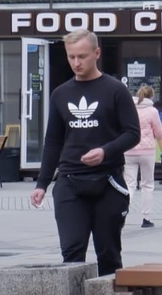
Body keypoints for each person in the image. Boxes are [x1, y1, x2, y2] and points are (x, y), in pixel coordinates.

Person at [30, 30, 140, 277]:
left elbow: (133, 133)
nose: (76, 63)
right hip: (69, 181)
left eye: (82, 56)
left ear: (96, 53)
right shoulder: (61, 94)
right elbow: (53, 141)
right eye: (71, 57)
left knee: (108, 253)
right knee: (71, 254)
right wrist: (42, 184)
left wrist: (105, 151)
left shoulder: (115, 90)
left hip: (108, 180)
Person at [124, 84, 162, 229]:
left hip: (129, 150)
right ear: (151, 96)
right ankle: (146, 218)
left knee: (129, 184)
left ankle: (122, 213)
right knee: (147, 185)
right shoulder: (152, 111)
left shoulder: (129, 109)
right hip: (147, 152)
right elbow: (159, 133)